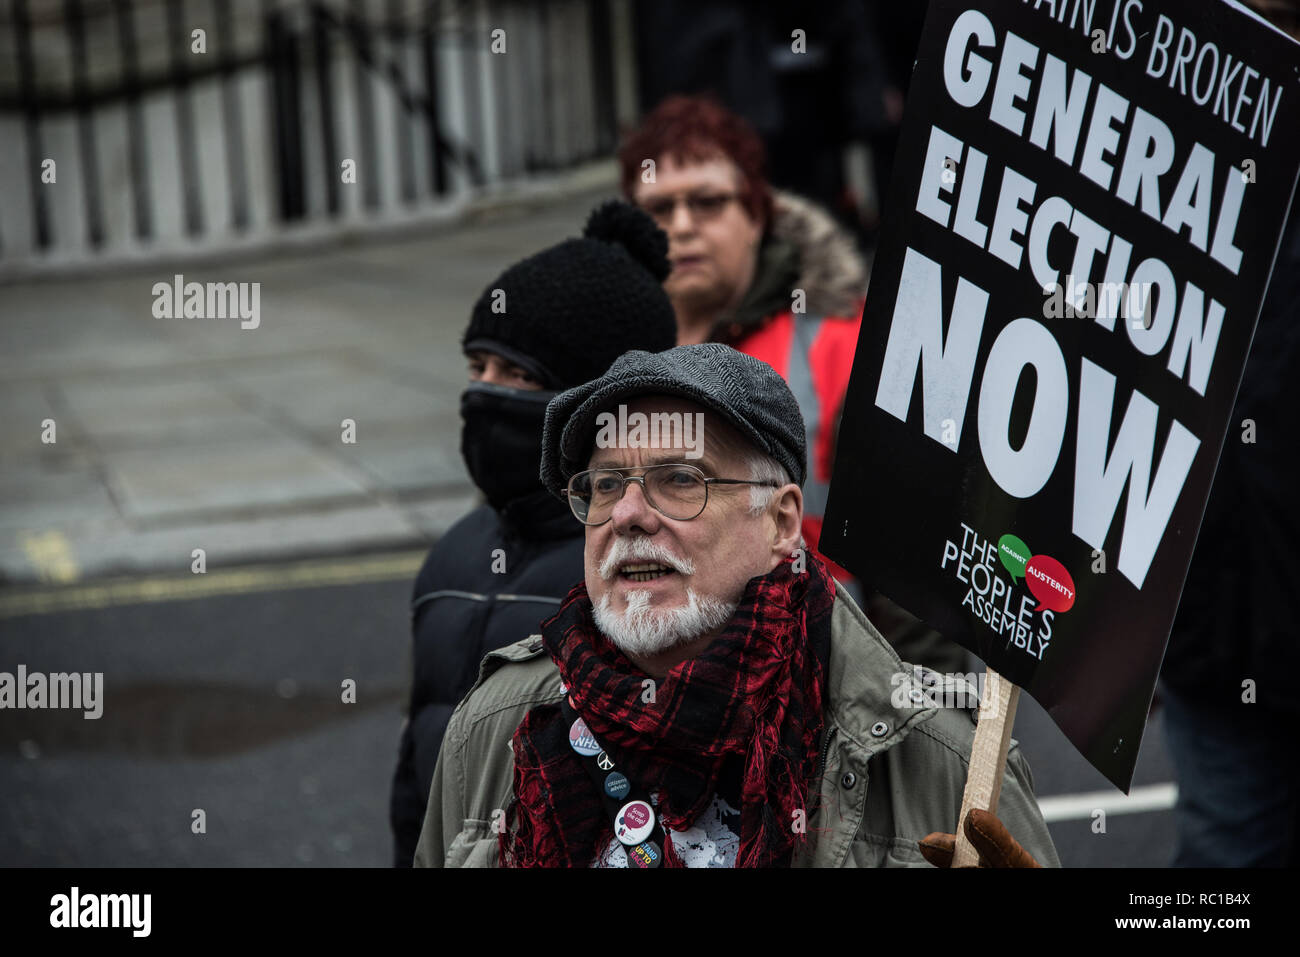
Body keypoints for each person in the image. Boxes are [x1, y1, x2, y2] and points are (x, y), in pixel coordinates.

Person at [414, 343, 1059, 868]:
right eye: (607, 483)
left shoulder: (939, 756)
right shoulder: (492, 727)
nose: (630, 515)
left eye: (680, 480)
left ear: (781, 524)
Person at [618, 93, 966, 676]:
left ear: (756, 216)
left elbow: (916, 571)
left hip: (821, 695)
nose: (680, 226)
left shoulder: (843, 346)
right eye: (658, 208)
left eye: (707, 202)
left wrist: (923, 729)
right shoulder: (594, 355)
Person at [389, 202, 678, 866]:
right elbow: (417, 768)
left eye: (519, 376)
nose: (485, 394)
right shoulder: (450, 558)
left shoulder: (639, 570)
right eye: (477, 368)